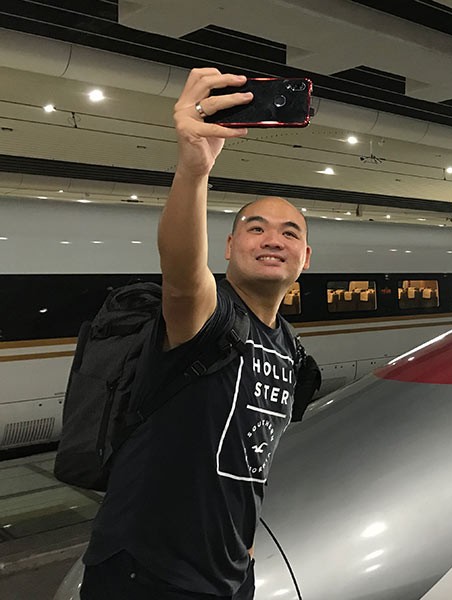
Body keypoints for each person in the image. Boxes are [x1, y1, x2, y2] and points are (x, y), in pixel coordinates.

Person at [80, 68, 311, 599]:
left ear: (305, 257)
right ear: (228, 248)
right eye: (255, 228)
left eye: (289, 232)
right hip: (149, 573)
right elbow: (183, 277)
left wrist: (244, 545)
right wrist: (194, 171)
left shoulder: (289, 347)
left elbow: (252, 459)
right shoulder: (210, 314)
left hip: (228, 574)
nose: (272, 239)